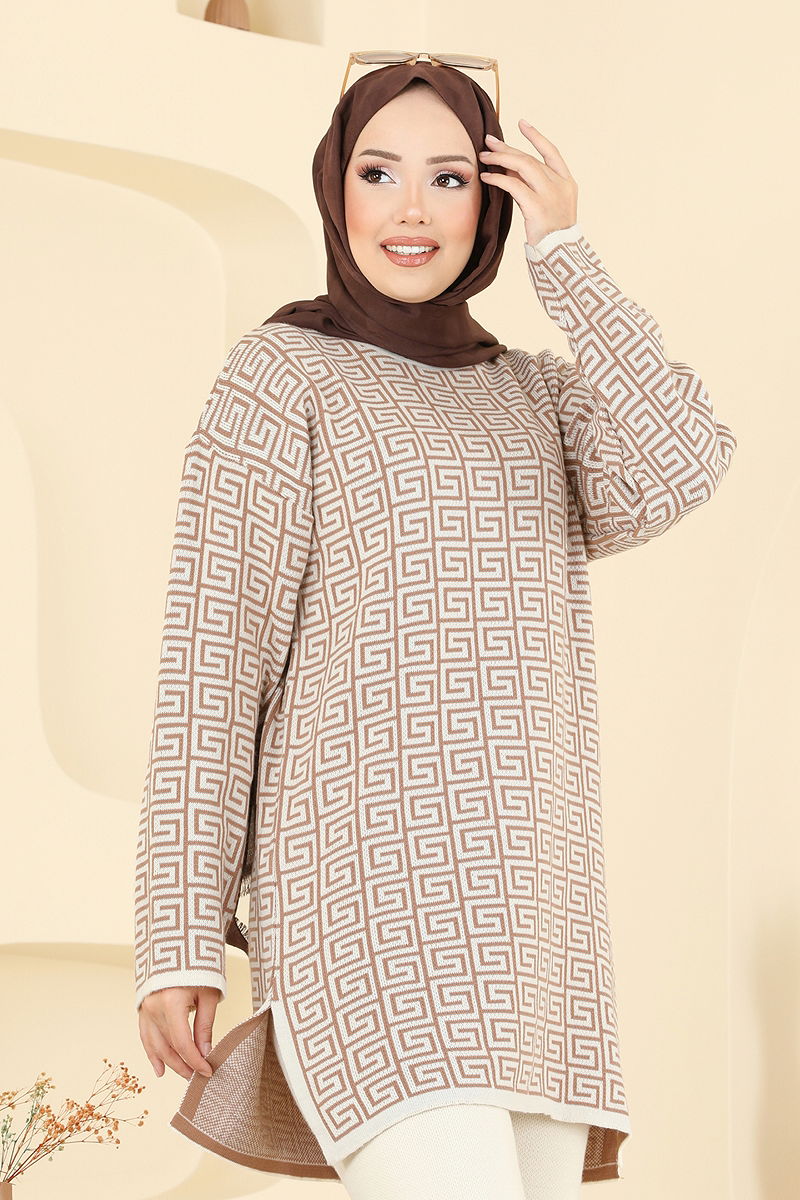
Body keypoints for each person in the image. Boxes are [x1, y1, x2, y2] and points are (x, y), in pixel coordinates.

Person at [134, 58, 737, 1199]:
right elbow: (212, 669)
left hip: (535, 917)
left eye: (449, 178)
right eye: (378, 173)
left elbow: (681, 460)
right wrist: (178, 932)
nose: (410, 209)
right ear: (336, 188)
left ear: (490, 203)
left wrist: (569, 256)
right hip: (366, 899)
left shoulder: (534, 395)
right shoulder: (282, 376)